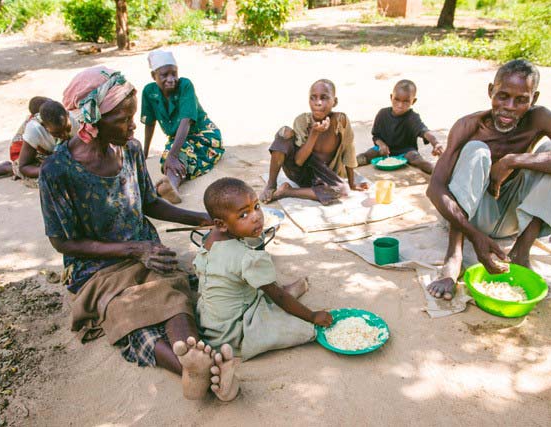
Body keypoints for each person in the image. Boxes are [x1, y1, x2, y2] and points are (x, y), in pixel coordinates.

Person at [39, 66, 238, 402]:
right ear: (92, 120)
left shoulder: (128, 149)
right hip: (96, 268)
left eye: (132, 117)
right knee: (126, 312)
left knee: (173, 293)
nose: (133, 126)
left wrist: (201, 219)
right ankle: (191, 368)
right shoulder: (57, 171)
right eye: (123, 119)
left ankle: (195, 365)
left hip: (146, 250)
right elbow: (62, 241)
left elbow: (149, 202)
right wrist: (134, 249)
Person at [425, 59, 551, 300]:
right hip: (472, 218)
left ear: (533, 99)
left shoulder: (539, 118)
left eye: (521, 100)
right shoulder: (469, 125)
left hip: (513, 219)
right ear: (490, 91)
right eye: (502, 96)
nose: (509, 107)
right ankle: (454, 258)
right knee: (476, 150)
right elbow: (435, 189)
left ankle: (521, 252)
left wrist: (511, 161)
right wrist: (474, 235)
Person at [195, 177, 333, 361]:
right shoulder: (247, 258)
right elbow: (278, 296)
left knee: (255, 287)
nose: (256, 217)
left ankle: (286, 294)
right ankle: (294, 305)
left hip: (211, 321)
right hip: (234, 330)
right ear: (221, 224)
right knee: (296, 327)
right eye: (243, 215)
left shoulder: (210, 240)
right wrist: (312, 315)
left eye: (256, 206)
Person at [260, 79, 368, 206]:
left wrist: (352, 183)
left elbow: (349, 150)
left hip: (323, 175)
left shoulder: (341, 121)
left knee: (342, 191)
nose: (318, 103)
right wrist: (314, 134)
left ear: (335, 101)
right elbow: (299, 161)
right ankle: (271, 184)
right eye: (313, 98)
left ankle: (288, 191)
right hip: (299, 172)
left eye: (324, 97)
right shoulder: (302, 121)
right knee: (285, 132)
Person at [141, 49, 225, 204]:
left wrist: (173, 155)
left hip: (203, 135)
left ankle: (171, 185)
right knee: (170, 155)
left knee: (178, 153)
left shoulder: (185, 85)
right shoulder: (149, 92)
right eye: (164, 75)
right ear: (153, 76)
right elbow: (149, 123)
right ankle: (169, 186)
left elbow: (186, 121)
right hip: (178, 138)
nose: (171, 79)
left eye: (174, 73)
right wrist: (144, 154)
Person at [356, 79, 444, 174]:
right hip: (384, 151)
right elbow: (376, 136)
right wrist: (381, 145)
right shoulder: (382, 114)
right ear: (391, 97)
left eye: (406, 102)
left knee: (417, 159)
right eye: (396, 100)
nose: (400, 105)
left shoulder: (412, 117)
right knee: (368, 154)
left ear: (413, 101)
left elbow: (425, 132)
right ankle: (348, 164)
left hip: (406, 152)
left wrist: (436, 143)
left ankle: (438, 173)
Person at [0, 96, 76, 182]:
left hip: (55, 151)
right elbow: (24, 166)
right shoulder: (34, 129)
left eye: (67, 129)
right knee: (52, 181)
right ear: (44, 125)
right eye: (57, 133)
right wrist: (49, 171)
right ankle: (8, 168)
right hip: (37, 154)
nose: (64, 135)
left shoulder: (74, 120)